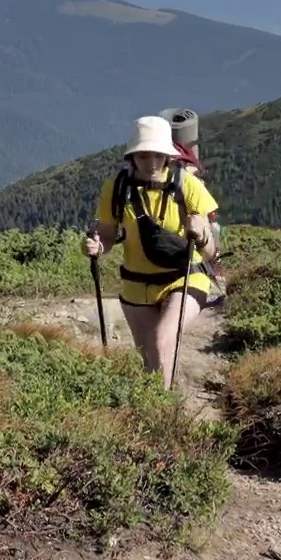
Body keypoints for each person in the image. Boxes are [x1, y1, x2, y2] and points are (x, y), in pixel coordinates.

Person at [84, 115, 219, 390]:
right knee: (149, 359)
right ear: (133, 157)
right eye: (144, 156)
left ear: (167, 156)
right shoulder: (116, 189)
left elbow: (211, 251)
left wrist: (202, 233)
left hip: (185, 277)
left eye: (158, 156)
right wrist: (99, 246)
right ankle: (161, 406)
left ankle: (164, 411)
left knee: (163, 340)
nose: (152, 163)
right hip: (137, 286)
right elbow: (108, 235)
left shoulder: (188, 185)